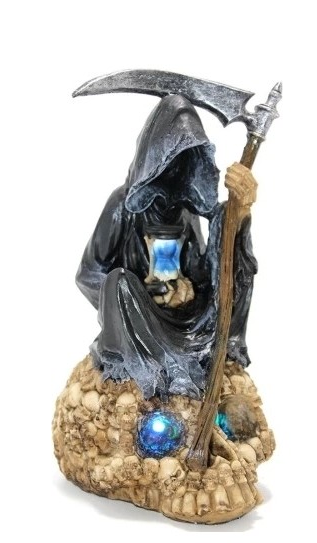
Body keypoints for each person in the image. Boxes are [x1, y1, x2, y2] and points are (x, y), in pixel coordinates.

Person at [76, 94, 257, 399]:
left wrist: (236, 216)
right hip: (138, 323)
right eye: (169, 160)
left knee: (232, 241)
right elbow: (89, 274)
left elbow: (206, 273)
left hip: (185, 322)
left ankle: (195, 363)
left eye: (185, 159)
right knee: (118, 282)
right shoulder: (122, 205)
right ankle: (153, 369)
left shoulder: (184, 210)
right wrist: (136, 297)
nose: (174, 170)